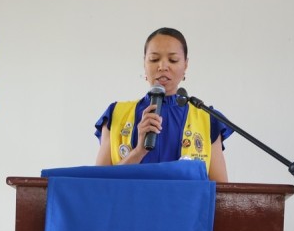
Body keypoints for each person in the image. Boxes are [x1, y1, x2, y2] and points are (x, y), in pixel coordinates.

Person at [94, 27, 232, 182]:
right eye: (154, 59)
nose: (162, 66)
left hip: (183, 199)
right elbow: (98, 185)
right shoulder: (116, 114)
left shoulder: (207, 119)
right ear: (144, 63)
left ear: (185, 65)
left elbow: (221, 191)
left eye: (173, 60)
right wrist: (139, 151)